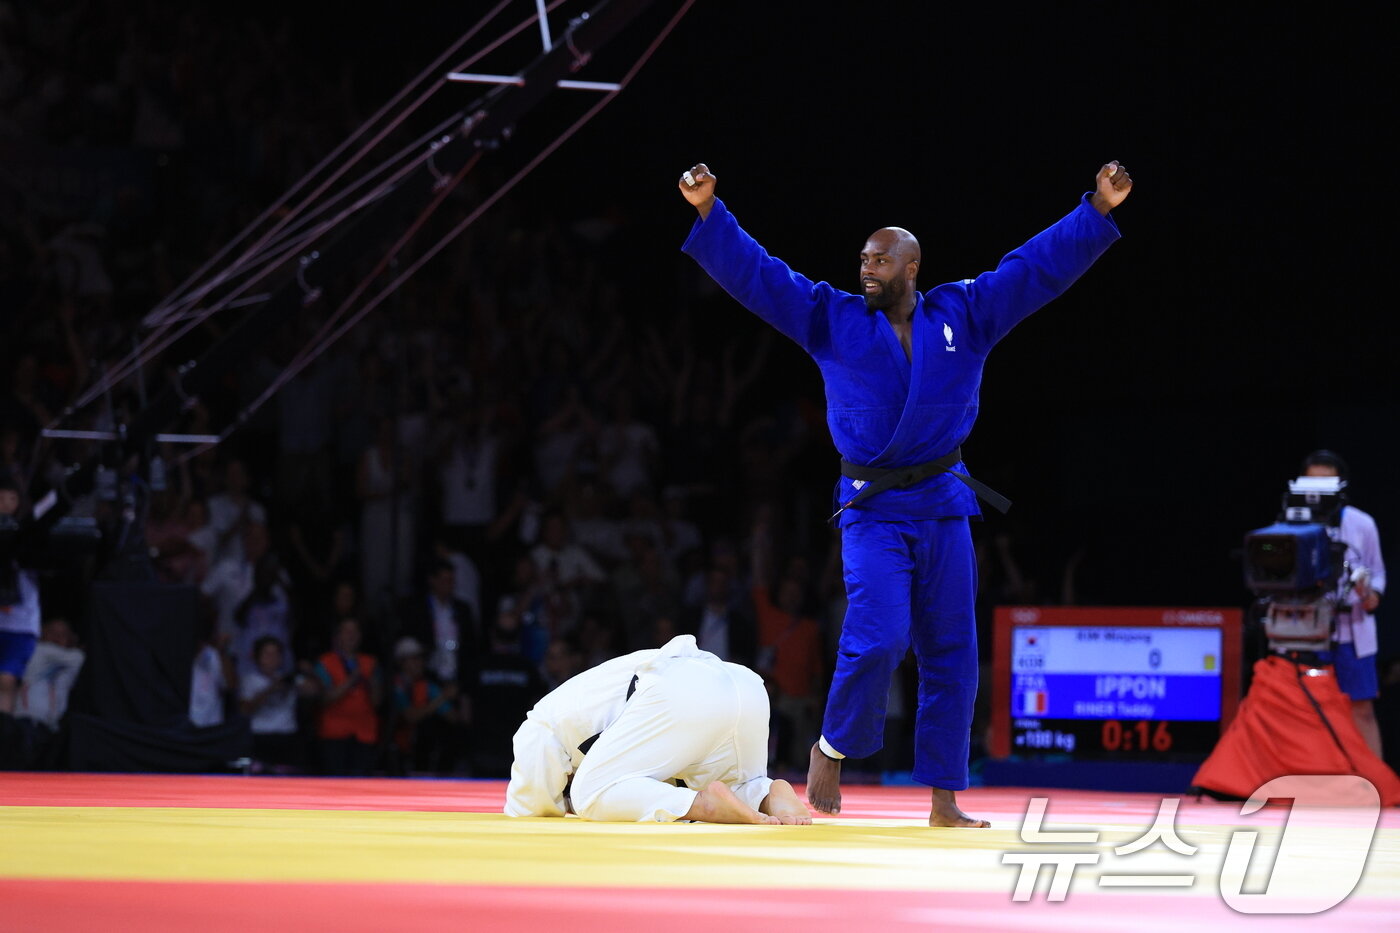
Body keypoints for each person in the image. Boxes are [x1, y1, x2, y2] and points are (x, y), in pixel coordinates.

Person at [678, 159, 1132, 825]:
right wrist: (710, 214)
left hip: (944, 502)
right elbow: (761, 276)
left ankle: (945, 798)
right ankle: (832, 747)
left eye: (880, 260)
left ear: (911, 268)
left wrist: (1096, 207)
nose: (866, 268)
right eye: (863, 257)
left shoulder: (966, 314)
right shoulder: (833, 318)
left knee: (952, 650)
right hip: (873, 508)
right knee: (881, 635)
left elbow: (1034, 269)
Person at [505, 633, 811, 824]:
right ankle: (767, 794)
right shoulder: (580, 702)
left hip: (679, 691)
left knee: (591, 793)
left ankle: (697, 805)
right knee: (733, 783)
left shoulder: (542, 721)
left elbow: (532, 806)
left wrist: (565, 800)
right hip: (747, 686)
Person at [1301, 450, 1386, 757]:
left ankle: (1377, 787)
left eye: (1327, 482)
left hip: (1354, 632)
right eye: (1313, 482)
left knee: (1360, 709)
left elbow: (1377, 572)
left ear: (1341, 485)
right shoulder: (1294, 524)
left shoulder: (1363, 523)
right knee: (1309, 712)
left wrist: (1369, 593)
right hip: (1309, 631)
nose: (1320, 490)